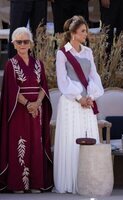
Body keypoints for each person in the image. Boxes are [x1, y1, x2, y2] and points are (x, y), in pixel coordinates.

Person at [53, 15, 104, 194]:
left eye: (86, 31)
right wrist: (78, 97)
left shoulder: (88, 52)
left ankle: (88, 180)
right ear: (73, 33)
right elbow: (63, 80)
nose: (86, 35)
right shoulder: (62, 53)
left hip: (87, 102)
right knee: (72, 139)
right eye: (83, 31)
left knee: (88, 137)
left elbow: (94, 76)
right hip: (71, 102)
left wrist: (91, 95)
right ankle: (70, 181)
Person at [0, 27, 53, 193]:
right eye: (19, 41)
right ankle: (19, 184)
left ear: (30, 43)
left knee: (36, 143)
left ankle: (36, 183)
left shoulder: (38, 63)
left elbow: (43, 86)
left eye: (25, 41)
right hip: (19, 110)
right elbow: (11, 89)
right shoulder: (10, 64)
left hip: (36, 110)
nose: (22, 44)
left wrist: (36, 104)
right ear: (14, 44)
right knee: (20, 144)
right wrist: (28, 104)